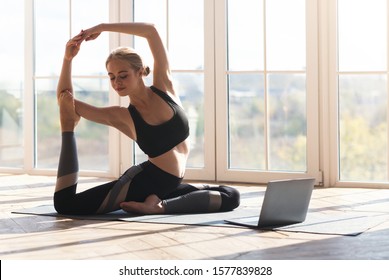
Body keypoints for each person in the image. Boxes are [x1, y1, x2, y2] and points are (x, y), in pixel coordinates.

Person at [54, 22, 240, 215]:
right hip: (141, 184)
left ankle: (156, 205)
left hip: (167, 186)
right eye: (111, 77)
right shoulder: (122, 116)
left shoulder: (165, 88)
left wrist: (101, 27)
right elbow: (65, 100)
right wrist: (68, 59)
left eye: (123, 75)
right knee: (66, 204)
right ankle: (68, 130)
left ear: (140, 71)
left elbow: (151, 31)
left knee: (231, 195)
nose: (117, 83)